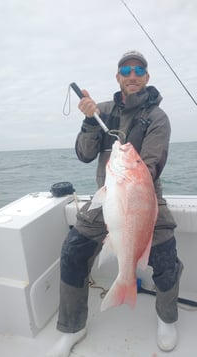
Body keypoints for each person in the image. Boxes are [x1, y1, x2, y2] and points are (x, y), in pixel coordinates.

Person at [47, 50, 183, 357]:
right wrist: (88, 121)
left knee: (165, 257)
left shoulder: (158, 118)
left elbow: (150, 166)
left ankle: (167, 318)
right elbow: (84, 154)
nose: (132, 75)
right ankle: (73, 327)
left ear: (146, 78)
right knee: (73, 252)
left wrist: (126, 174)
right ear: (118, 77)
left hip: (144, 196)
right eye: (126, 70)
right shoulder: (102, 111)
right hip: (107, 195)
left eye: (139, 70)